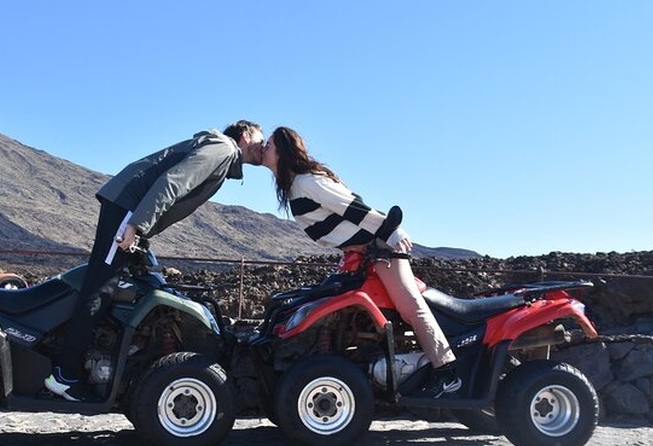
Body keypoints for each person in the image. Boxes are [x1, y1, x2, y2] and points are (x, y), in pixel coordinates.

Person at [45, 120, 266, 401]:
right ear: (245, 135)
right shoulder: (223, 148)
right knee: (99, 287)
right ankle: (65, 374)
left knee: (119, 282)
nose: (263, 145)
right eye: (261, 139)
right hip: (129, 209)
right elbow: (173, 181)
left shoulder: (223, 154)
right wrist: (136, 224)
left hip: (131, 210)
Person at [260, 126, 461, 398]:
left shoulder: (307, 182)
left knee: (410, 307)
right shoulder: (294, 186)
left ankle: (447, 372)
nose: (264, 148)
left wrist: (390, 231)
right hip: (362, 255)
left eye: (269, 144)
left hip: (379, 249)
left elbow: (351, 206)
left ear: (283, 152)